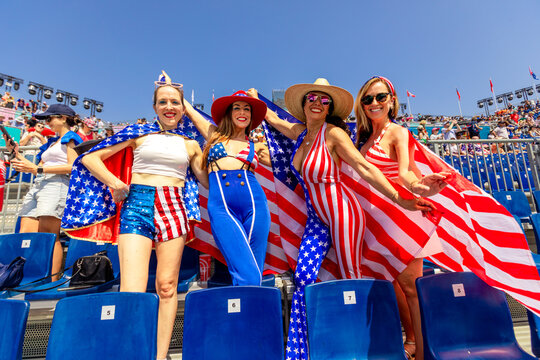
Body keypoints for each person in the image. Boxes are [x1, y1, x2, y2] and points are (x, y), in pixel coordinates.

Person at [249, 78, 437, 360]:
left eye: (324, 101)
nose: (317, 103)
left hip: (343, 214)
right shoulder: (301, 134)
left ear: (329, 109)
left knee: (351, 278)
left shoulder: (334, 134)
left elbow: (364, 167)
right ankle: (305, 350)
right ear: (303, 104)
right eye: (311, 98)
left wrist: (400, 198)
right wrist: (256, 99)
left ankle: (362, 348)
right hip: (317, 219)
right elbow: (276, 120)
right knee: (303, 276)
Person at [64, 71, 207, 360]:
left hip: (174, 205)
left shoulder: (190, 144)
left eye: (175, 102)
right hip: (137, 204)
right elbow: (90, 158)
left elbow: (205, 180)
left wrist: (191, 108)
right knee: (132, 287)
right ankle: (132, 352)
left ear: (183, 108)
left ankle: (159, 354)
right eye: (163, 102)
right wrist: (116, 183)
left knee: (167, 286)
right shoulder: (137, 134)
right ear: (154, 107)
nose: (169, 107)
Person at [355, 76, 450, 360]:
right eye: (368, 99)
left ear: (392, 101)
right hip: (377, 221)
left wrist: (421, 187)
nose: (374, 103)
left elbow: (406, 173)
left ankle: (423, 353)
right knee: (395, 284)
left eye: (380, 97)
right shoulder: (364, 137)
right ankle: (411, 341)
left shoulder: (397, 132)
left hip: (401, 217)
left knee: (411, 289)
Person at [183, 90, 271, 286]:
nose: (242, 112)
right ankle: (252, 314)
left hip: (256, 209)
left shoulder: (257, 146)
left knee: (253, 271)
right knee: (246, 273)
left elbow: (291, 165)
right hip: (222, 210)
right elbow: (189, 111)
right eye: (237, 108)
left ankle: (247, 315)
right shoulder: (214, 135)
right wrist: (173, 88)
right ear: (229, 114)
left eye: (247, 109)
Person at [3, 104, 83, 281]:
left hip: (57, 184)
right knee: (26, 232)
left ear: (63, 118)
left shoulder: (71, 138)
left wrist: (37, 170)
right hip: (40, 184)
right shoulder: (51, 143)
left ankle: (51, 280)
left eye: (49, 118)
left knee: (49, 234)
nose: (47, 123)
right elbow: (36, 168)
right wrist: (14, 152)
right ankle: (28, 278)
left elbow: (73, 166)